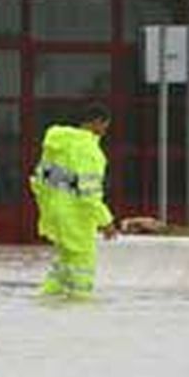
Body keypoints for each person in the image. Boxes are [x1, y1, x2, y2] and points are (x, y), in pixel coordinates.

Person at [29, 103, 117, 300]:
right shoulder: (89, 151)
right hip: (77, 217)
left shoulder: (59, 143)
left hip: (56, 212)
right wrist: (106, 221)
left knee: (63, 264)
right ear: (96, 122)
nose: (105, 131)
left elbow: (42, 178)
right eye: (105, 126)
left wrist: (50, 206)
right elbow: (89, 192)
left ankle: (46, 302)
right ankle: (80, 307)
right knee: (82, 265)